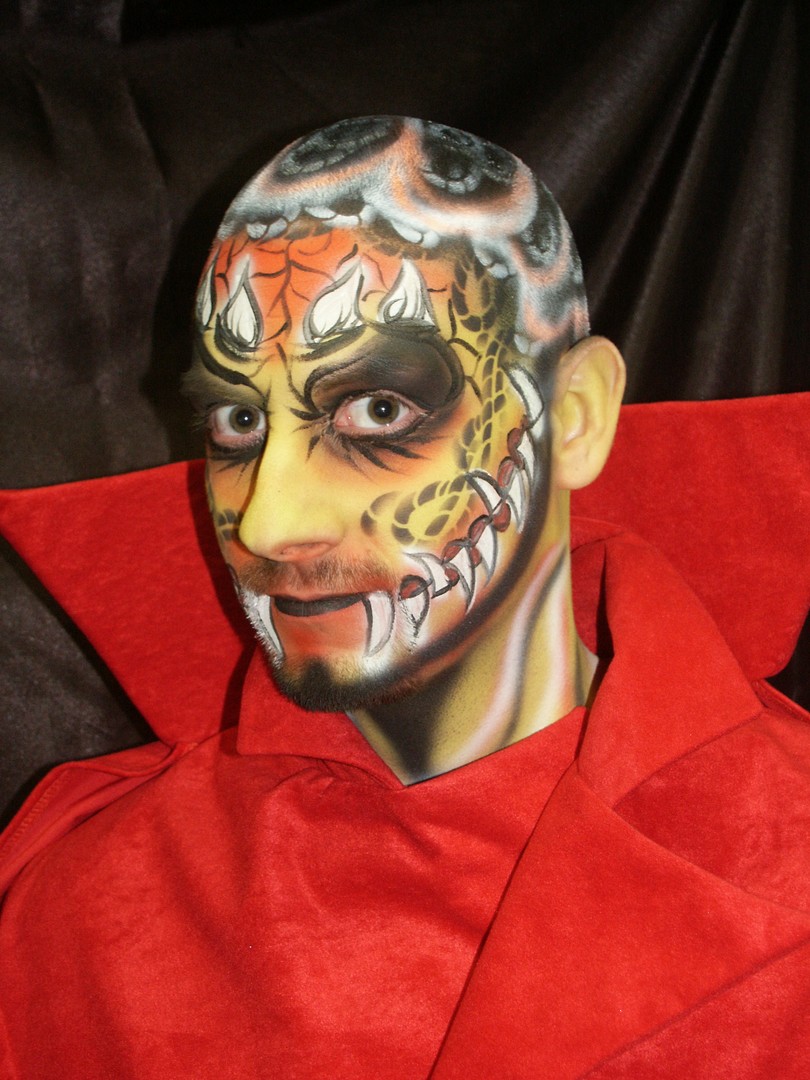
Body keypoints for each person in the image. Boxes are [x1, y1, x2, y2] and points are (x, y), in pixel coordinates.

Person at [1, 117, 808, 1079]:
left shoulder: (784, 842)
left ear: (574, 416)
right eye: (238, 420)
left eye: (378, 411)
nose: (268, 524)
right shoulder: (83, 898)